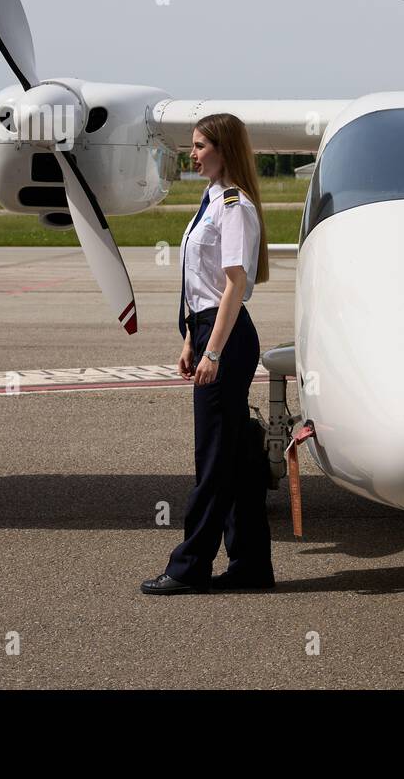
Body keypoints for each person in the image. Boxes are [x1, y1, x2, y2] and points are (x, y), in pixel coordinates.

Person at [142, 112, 274, 595]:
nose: (192, 154)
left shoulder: (233, 204)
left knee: (213, 459)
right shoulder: (211, 197)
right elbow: (202, 281)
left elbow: (235, 284)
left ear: (223, 148)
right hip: (208, 330)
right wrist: (189, 340)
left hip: (227, 334)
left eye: (200, 146)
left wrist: (213, 351)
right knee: (235, 457)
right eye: (193, 146)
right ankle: (252, 564)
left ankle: (190, 566)